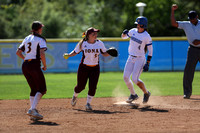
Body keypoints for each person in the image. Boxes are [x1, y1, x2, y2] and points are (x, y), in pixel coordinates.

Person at [63, 27, 112, 111]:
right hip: (84, 67)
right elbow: (75, 52)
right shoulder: (83, 43)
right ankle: (75, 96)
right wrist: (68, 55)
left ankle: (88, 104)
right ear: (88, 35)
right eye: (93, 34)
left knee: (93, 87)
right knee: (80, 87)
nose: (95, 35)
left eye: (96, 34)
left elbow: (104, 53)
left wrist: (110, 53)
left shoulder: (99, 43)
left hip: (95, 68)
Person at [16, 21, 47, 120]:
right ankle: (32, 109)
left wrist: (25, 58)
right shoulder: (40, 39)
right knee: (42, 89)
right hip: (34, 65)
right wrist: (45, 65)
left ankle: (33, 113)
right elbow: (42, 53)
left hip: (25, 65)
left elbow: (18, 52)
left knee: (34, 89)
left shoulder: (27, 38)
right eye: (41, 28)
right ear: (38, 29)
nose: (42, 29)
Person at [121, 16, 153, 104]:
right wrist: (124, 34)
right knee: (126, 77)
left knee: (135, 79)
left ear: (143, 25)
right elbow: (123, 37)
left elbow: (150, 50)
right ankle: (133, 95)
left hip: (140, 59)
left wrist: (148, 63)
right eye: (137, 24)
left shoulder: (146, 36)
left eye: (139, 24)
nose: (137, 26)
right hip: (131, 57)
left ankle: (146, 93)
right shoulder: (133, 31)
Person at [171, 4, 200, 99]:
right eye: (190, 18)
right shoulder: (186, 24)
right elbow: (174, 23)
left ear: (197, 17)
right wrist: (172, 11)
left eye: (193, 18)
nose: (192, 20)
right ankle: (187, 93)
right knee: (188, 71)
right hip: (192, 50)